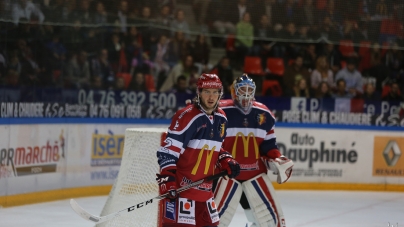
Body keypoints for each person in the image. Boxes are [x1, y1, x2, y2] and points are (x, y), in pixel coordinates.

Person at [156, 73, 241, 227]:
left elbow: (214, 148)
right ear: (199, 93)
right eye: (207, 91)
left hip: (206, 193)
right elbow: (168, 151)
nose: (211, 96)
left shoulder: (221, 118)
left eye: (215, 92)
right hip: (183, 191)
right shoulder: (187, 116)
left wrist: (225, 159)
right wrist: (168, 180)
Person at [214, 74, 294, 227]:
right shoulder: (220, 110)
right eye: (242, 89)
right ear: (233, 91)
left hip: (254, 175)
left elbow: (269, 146)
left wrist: (277, 158)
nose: (245, 93)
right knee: (215, 221)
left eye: (249, 89)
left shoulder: (264, 114)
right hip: (227, 174)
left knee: (272, 223)